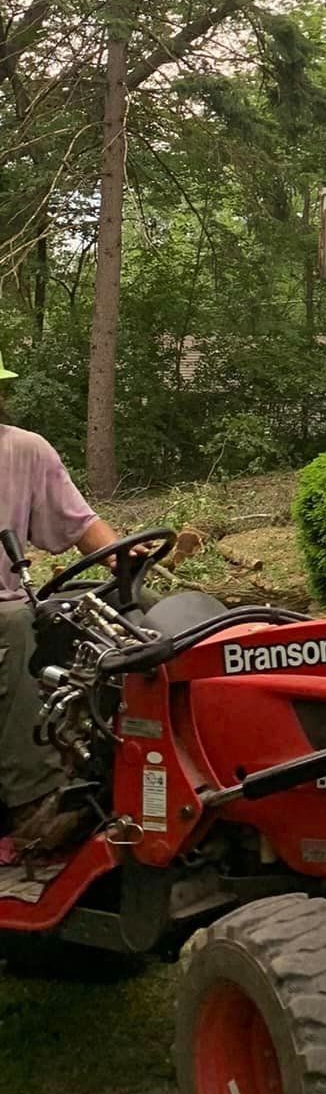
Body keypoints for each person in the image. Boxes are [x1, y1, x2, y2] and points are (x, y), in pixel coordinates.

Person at [0, 352, 121, 853]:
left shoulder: (24, 450)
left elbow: (78, 521)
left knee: (125, 613)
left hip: (11, 597)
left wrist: (121, 558)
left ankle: (108, 763)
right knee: (14, 628)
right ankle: (33, 798)